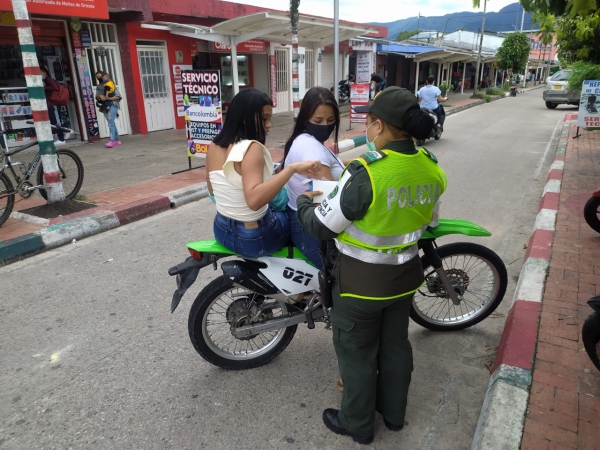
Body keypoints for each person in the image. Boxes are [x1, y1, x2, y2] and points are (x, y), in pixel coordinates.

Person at [296, 87, 447, 445]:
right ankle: (394, 416)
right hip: (405, 278)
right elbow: (430, 222)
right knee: (396, 345)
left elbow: (322, 224)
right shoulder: (431, 166)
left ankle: (357, 424)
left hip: (359, 285)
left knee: (357, 354)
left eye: (368, 122)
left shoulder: (366, 171)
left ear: (378, 125)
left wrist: (304, 201)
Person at [206, 88, 321, 259]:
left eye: (270, 118)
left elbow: (213, 191)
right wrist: (292, 169)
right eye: (264, 119)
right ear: (245, 119)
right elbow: (254, 201)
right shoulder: (251, 148)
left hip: (222, 229)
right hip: (253, 238)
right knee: (293, 215)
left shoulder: (213, 146)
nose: (269, 125)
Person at [282, 86, 345, 269]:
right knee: (342, 281)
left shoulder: (304, 139)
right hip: (311, 230)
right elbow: (329, 200)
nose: (325, 125)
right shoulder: (312, 149)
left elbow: (333, 164)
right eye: (318, 120)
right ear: (305, 118)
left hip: (300, 221)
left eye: (331, 120)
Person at [40, 66, 66, 145]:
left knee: (57, 121)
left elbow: (55, 87)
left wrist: (45, 87)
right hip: (51, 104)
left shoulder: (48, 79)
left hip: (54, 104)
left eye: (40, 72)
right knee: (53, 121)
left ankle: (61, 139)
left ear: (44, 72)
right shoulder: (45, 80)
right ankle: (60, 136)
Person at [96, 72, 122, 148]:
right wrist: (100, 97)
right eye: (97, 77)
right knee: (111, 123)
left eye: (100, 76)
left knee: (110, 123)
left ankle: (112, 141)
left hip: (113, 104)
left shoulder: (111, 84)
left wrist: (108, 98)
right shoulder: (99, 86)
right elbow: (97, 96)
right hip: (104, 106)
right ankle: (117, 140)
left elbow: (118, 96)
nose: (99, 78)